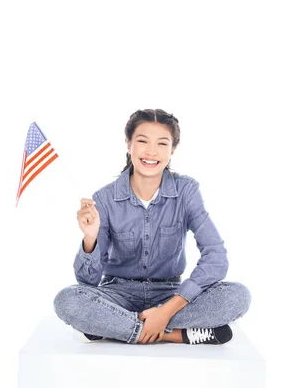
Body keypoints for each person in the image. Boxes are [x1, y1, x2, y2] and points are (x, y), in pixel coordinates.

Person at [53, 109, 251, 345]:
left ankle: (119, 327)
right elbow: (87, 281)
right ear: (129, 144)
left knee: (237, 296)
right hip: (118, 294)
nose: (151, 151)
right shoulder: (104, 198)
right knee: (67, 300)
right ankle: (175, 334)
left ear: (172, 149)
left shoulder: (186, 191)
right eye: (142, 141)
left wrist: (165, 311)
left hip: (170, 294)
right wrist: (91, 237)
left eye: (162, 143)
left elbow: (216, 257)